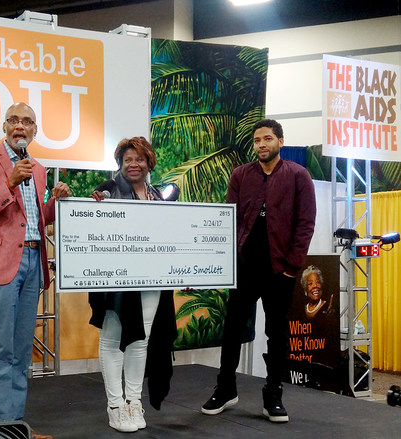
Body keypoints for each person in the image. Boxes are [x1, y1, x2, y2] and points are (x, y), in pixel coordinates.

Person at [0, 102, 70, 438]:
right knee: (2, 349)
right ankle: (0, 428)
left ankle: (15, 426)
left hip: (33, 261)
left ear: (35, 131)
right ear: (4, 126)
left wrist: (57, 203)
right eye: (14, 120)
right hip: (0, 265)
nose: (20, 126)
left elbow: (36, 218)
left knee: (23, 350)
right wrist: (8, 183)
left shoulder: (37, 169)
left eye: (27, 121)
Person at [201, 119, 316, 423]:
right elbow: (229, 218)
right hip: (244, 266)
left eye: (267, 139)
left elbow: (305, 224)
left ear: (280, 141)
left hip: (281, 269)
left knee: (276, 332)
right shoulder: (240, 175)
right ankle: (225, 389)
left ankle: (274, 395)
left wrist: (293, 268)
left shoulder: (299, 175)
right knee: (232, 329)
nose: (262, 145)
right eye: (257, 140)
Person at [88, 137, 177, 433]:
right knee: (113, 341)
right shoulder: (107, 190)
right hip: (114, 282)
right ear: (120, 164)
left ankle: (133, 402)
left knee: (141, 341)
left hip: (151, 280)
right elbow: (91, 224)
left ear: (149, 161)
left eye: (139, 159)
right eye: (128, 160)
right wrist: (95, 205)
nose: (133, 164)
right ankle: (114, 405)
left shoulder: (158, 196)